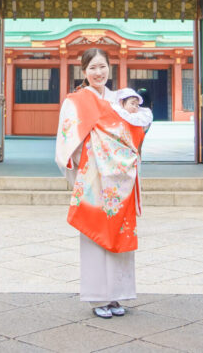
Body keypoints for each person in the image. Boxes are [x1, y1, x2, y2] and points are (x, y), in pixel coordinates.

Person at [55, 47, 152, 319]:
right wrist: (93, 153)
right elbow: (67, 140)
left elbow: (134, 131)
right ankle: (98, 296)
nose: (98, 73)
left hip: (120, 178)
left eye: (102, 67)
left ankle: (118, 295)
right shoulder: (75, 101)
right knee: (95, 236)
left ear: (110, 68)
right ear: (83, 72)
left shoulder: (120, 101)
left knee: (121, 232)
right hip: (95, 177)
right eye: (92, 68)